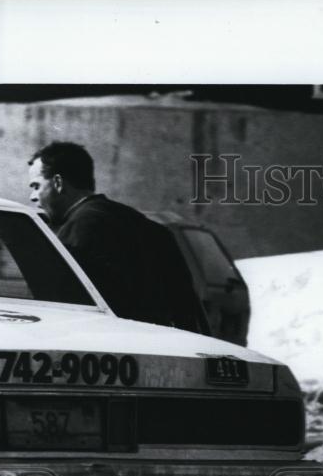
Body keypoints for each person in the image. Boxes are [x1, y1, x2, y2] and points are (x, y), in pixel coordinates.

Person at [27, 141, 206, 333]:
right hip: (158, 345)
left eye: (36, 186)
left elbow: (62, 301)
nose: (32, 196)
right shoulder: (150, 227)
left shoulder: (78, 228)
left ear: (58, 183)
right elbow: (187, 309)